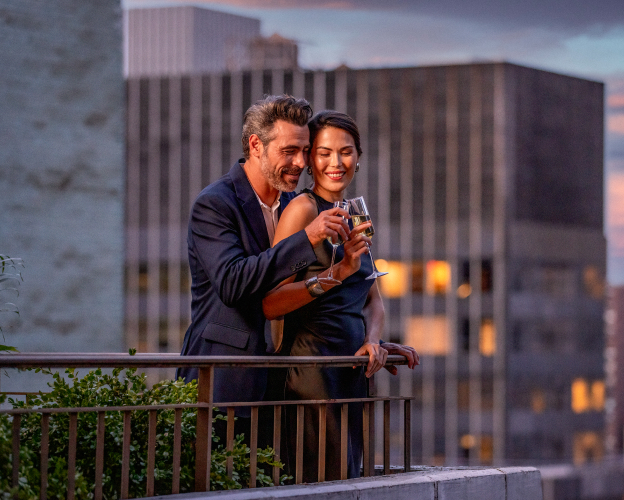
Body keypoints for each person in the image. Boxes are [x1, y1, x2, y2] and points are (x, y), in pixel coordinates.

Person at [177, 96, 352, 429]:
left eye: (305, 151)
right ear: (256, 145)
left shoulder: (294, 204)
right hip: (224, 387)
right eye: (289, 151)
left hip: (285, 389)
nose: (301, 163)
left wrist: (368, 339)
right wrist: (306, 238)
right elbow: (233, 282)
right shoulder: (214, 204)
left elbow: (306, 293)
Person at [262, 110, 419, 482]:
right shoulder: (302, 209)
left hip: (352, 372)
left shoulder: (352, 215)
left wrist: (372, 341)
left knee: (348, 479)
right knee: (321, 480)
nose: (336, 162)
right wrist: (336, 274)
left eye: (346, 152)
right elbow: (270, 302)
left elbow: (372, 299)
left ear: (359, 158)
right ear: (310, 160)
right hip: (311, 371)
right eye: (324, 152)